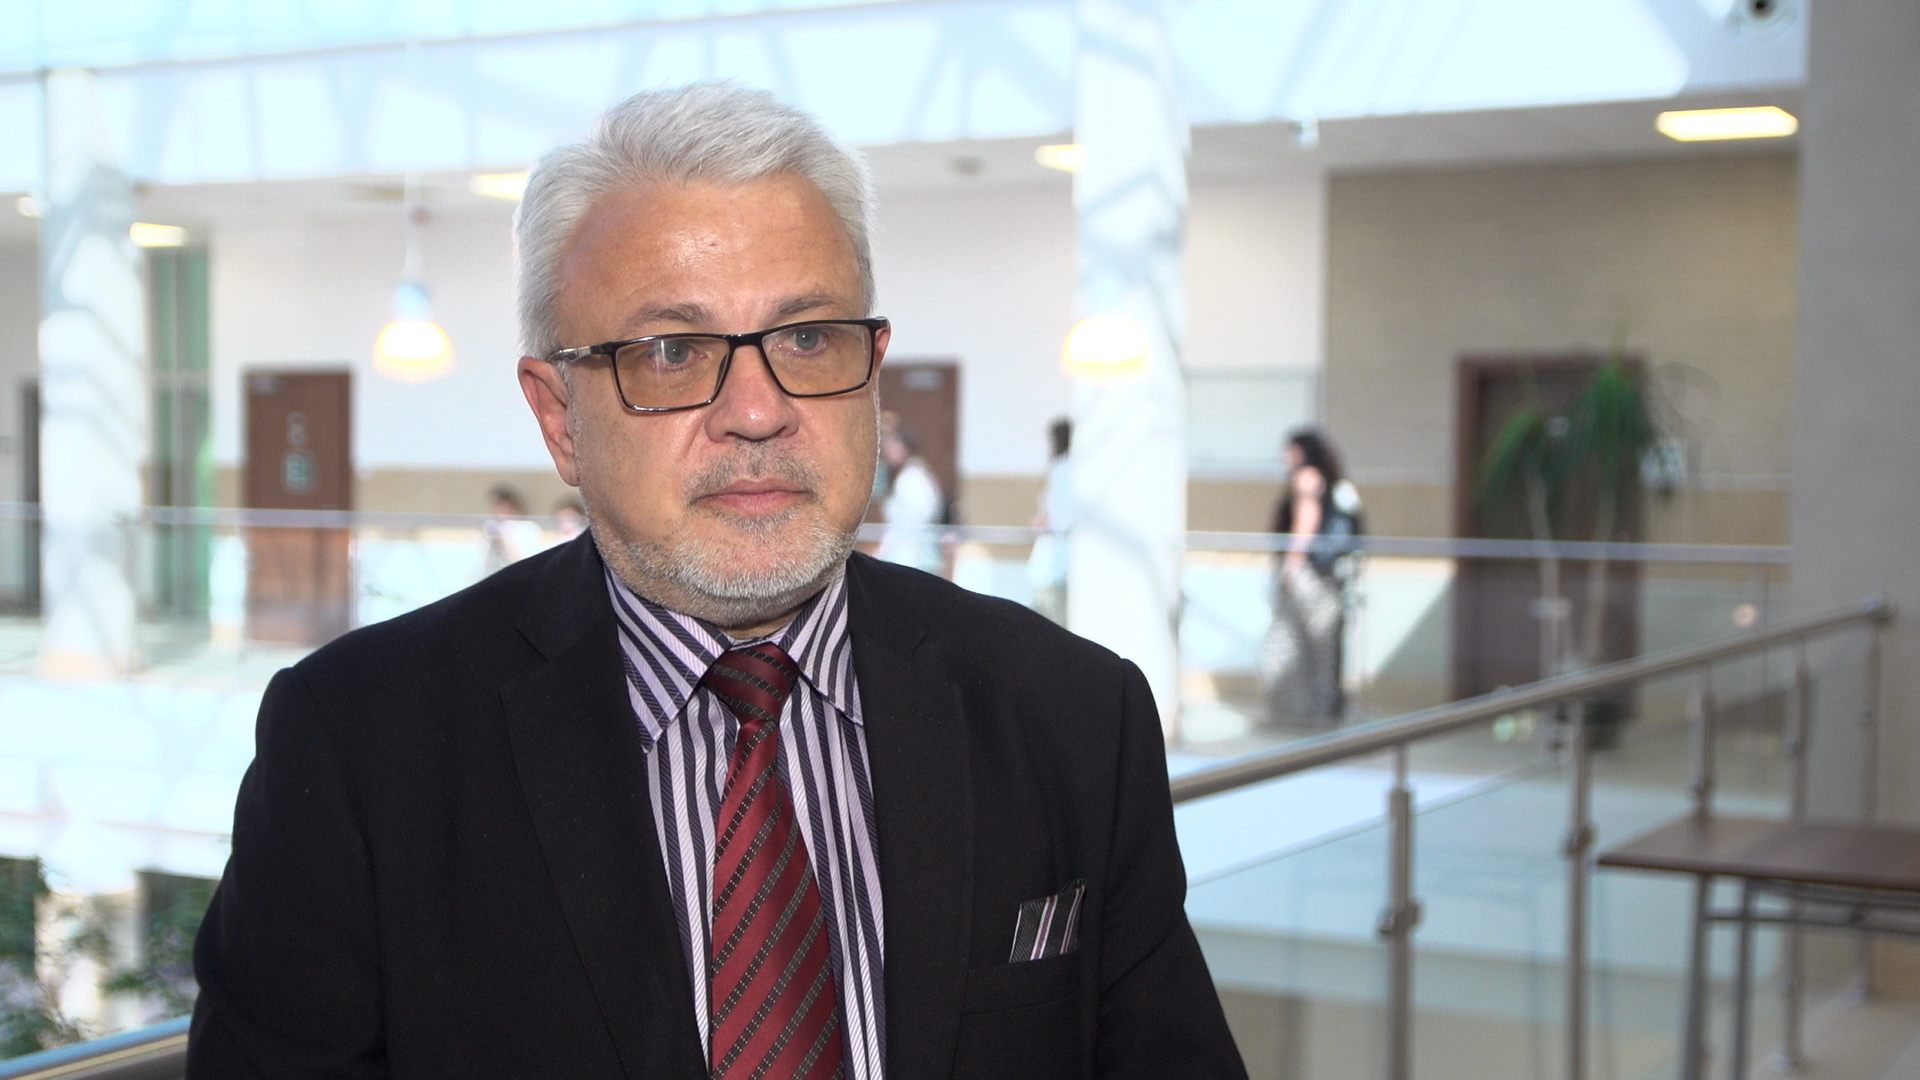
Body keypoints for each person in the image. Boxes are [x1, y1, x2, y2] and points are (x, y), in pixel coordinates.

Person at [189, 83, 1246, 1080]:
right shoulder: (361, 748)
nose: (756, 410)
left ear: (871, 372)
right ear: (559, 417)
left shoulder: (1071, 715)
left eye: (808, 338)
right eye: (671, 352)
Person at [1260, 428, 1363, 728]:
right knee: (1318, 648)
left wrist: (1290, 567)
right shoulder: (1331, 482)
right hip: (1324, 578)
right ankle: (1316, 711)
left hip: (1307, 576)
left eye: (1289, 450)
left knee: (1293, 645)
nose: (1284, 456)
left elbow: (1305, 522)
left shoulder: (1306, 478)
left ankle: (1304, 712)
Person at [872, 415, 944, 575]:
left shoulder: (913, 479)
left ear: (903, 447)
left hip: (913, 556)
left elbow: (913, 522)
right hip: (903, 554)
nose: (887, 449)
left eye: (892, 443)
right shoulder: (903, 476)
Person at [1026, 417, 1074, 625]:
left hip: (1055, 564)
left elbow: (1058, 517)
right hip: (1055, 563)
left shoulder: (1062, 471)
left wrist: (1044, 521)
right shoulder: (1067, 470)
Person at [482, 483, 546, 571]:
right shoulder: (490, 526)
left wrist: (504, 538)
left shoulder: (527, 528)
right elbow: (485, 562)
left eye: (502, 505)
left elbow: (525, 560)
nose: (499, 510)